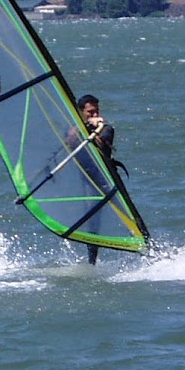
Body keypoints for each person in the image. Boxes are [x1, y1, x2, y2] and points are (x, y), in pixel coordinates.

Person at [72, 94, 116, 265]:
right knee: (91, 222)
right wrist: (82, 126)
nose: (94, 115)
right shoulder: (75, 128)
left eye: (96, 111)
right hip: (84, 181)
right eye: (90, 112)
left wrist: (95, 128)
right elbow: (70, 140)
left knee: (96, 220)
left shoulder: (106, 129)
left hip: (105, 181)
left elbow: (100, 145)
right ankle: (92, 262)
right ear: (80, 113)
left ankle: (148, 251)